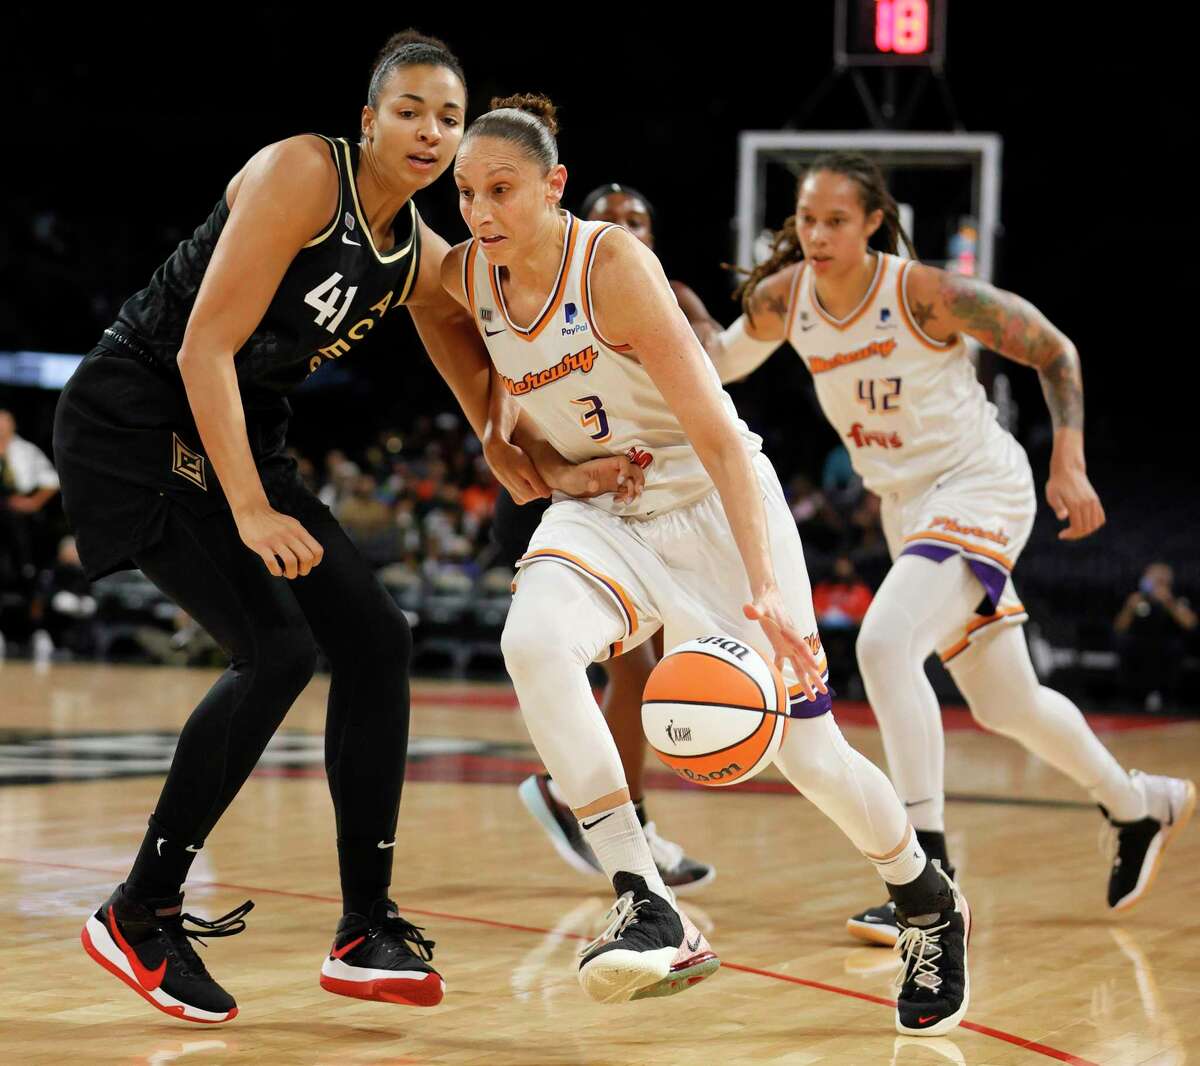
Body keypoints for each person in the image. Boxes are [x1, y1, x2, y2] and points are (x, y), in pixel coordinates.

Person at [53, 32, 630, 1024]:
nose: (430, 130)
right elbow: (203, 349)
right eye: (409, 109)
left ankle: (365, 926)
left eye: (448, 118)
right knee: (273, 649)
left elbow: (479, 345)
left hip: (242, 440)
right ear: (369, 120)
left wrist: (523, 450)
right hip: (137, 420)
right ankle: (140, 907)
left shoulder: (416, 251)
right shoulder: (302, 172)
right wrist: (249, 508)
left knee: (377, 638)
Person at [444, 96, 970, 1036]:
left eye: (501, 190)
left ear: (555, 186)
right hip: (603, 514)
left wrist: (767, 585)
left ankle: (927, 899)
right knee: (532, 641)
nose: (479, 212)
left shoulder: (612, 266)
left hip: (715, 510)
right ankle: (644, 896)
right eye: (466, 192)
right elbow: (427, 313)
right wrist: (506, 439)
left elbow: (724, 441)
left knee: (808, 755)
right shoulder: (467, 271)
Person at [706, 151, 1195, 945]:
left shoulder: (925, 293)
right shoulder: (784, 299)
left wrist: (1067, 459)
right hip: (907, 507)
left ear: (873, 222)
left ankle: (929, 879)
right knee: (1006, 702)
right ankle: (1139, 805)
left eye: (836, 220)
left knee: (886, 643)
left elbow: (1054, 349)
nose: (819, 235)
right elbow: (716, 365)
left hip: (976, 486)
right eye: (807, 220)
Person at [508, 183, 720, 894]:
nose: (622, 228)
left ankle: (596, 802)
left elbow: (719, 357)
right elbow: (515, 411)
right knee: (629, 671)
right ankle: (612, 814)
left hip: (663, 502)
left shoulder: (670, 296)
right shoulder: (546, 293)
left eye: (637, 221)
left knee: (644, 671)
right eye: (607, 218)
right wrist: (564, 473)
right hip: (592, 499)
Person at [1114, 562, 1197, 711]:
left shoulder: (1178, 598)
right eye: (1154, 580)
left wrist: (1169, 603)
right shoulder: (1136, 598)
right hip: (1139, 645)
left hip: (1166, 645)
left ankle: (1169, 698)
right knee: (1126, 645)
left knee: (1174, 649)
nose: (1157, 585)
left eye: (1161, 580)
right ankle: (1130, 697)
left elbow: (1190, 624)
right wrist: (1129, 608)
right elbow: (1119, 627)